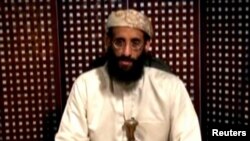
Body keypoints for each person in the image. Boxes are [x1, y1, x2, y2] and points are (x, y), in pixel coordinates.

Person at [55, 9, 201, 141]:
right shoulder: (85, 86)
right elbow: (69, 138)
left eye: (135, 43)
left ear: (147, 45)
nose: (126, 52)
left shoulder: (172, 88)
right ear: (107, 42)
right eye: (119, 42)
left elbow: (189, 137)